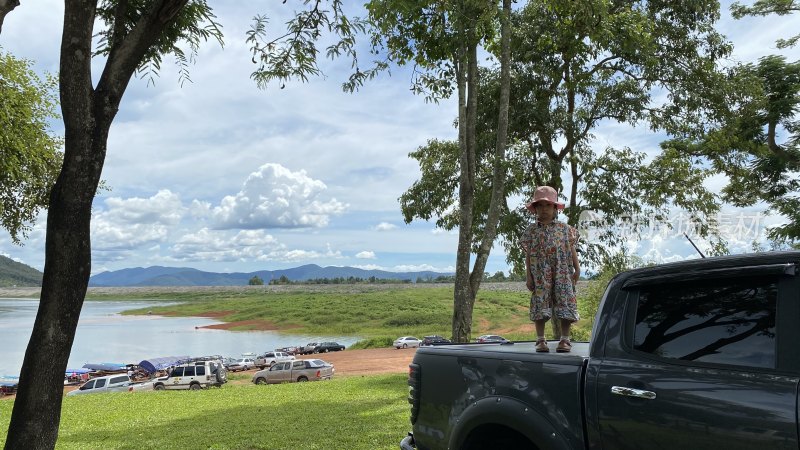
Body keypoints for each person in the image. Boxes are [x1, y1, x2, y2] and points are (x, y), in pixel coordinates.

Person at [521, 185, 580, 353]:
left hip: (562, 272)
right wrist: (528, 276)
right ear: (535, 209)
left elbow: (571, 249)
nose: (544, 209)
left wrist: (577, 269)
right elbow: (528, 254)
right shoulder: (531, 231)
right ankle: (540, 340)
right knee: (540, 302)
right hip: (540, 273)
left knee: (565, 300)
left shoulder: (564, 229)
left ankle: (565, 340)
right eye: (540, 205)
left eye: (548, 205)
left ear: (555, 208)